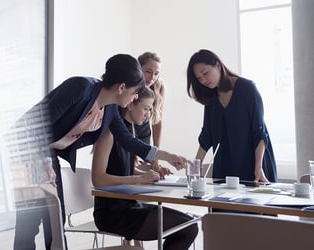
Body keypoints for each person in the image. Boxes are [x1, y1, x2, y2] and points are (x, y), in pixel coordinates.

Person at [11, 54, 187, 250]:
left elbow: (128, 141)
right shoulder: (79, 88)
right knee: (30, 223)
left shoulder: (110, 109)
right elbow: (34, 125)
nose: (136, 97)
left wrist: (168, 156)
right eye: (135, 92)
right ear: (122, 87)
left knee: (55, 222)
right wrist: (43, 161)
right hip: (27, 150)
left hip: (48, 153)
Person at [92, 87, 198, 250]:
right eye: (146, 108)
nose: (148, 114)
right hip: (112, 213)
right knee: (188, 228)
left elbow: (123, 168)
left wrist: (147, 174)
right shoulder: (109, 134)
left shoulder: (130, 130)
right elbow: (98, 179)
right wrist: (139, 179)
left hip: (129, 206)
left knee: (190, 225)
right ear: (130, 104)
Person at [186, 49, 277, 183]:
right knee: (221, 203)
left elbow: (259, 133)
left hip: (253, 164)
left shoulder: (247, 89)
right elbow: (207, 135)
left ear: (218, 65)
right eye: (199, 78)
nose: (203, 80)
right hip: (225, 166)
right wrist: (196, 166)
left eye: (205, 73)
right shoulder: (211, 98)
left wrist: (258, 167)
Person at [135, 51, 171, 177]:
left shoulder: (159, 87)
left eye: (156, 73)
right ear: (139, 69)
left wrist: (156, 154)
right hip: (129, 132)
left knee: (149, 169)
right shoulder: (130, 86)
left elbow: (157, 122)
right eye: (148, 72)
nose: (152, 78)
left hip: (144, 133)